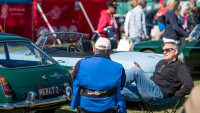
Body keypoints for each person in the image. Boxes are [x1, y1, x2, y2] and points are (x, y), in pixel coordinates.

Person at [70, 37, 126, 113]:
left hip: (84, 107)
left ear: (94, 49)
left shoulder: (80, 63)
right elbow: (121, 87)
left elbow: (74, 81)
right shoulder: (118, 67)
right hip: (109, 108)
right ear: (110, 51)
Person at [122, 42, 194, 101]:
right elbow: (155, 78)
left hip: (158, 93)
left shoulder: (180, 66)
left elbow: (189, 85)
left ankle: (117, 82)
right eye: (163, 50)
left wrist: (175, 95)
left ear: (176, 52)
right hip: (148, 89)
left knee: (135, 70)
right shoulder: (161, 62)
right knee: (117, 89)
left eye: (168, 50)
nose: (165, 52)